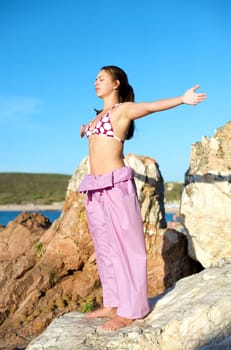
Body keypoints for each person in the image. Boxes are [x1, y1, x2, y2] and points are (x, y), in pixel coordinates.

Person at [78, 65, 206, 331]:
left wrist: (182, 100)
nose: (95, 82)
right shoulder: (97, 117)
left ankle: (131, 310)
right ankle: (113, 302)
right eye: (95, 79)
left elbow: (151, 107)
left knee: (127, 248)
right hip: (95, 187)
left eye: (101, 78)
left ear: (116, 84)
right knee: (105, 247)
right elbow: (96, 139)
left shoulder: (122, 110)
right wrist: (85, 130)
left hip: (116, 186)